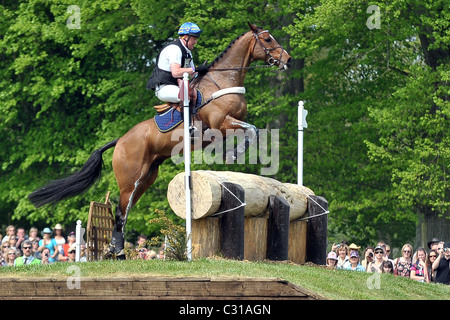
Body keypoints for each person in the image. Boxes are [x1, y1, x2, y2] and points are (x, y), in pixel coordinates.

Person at [147, 22, 207, 104]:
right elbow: (176, 72)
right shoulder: (174, 49)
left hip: (178, 86)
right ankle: (185, 117)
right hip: (164, 87)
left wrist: (205, 71)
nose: (196, 42)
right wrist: (195, 68)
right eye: (194, 39)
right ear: (186, 37)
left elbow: (193, 74)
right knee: (185, 95)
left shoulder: (187, 52)